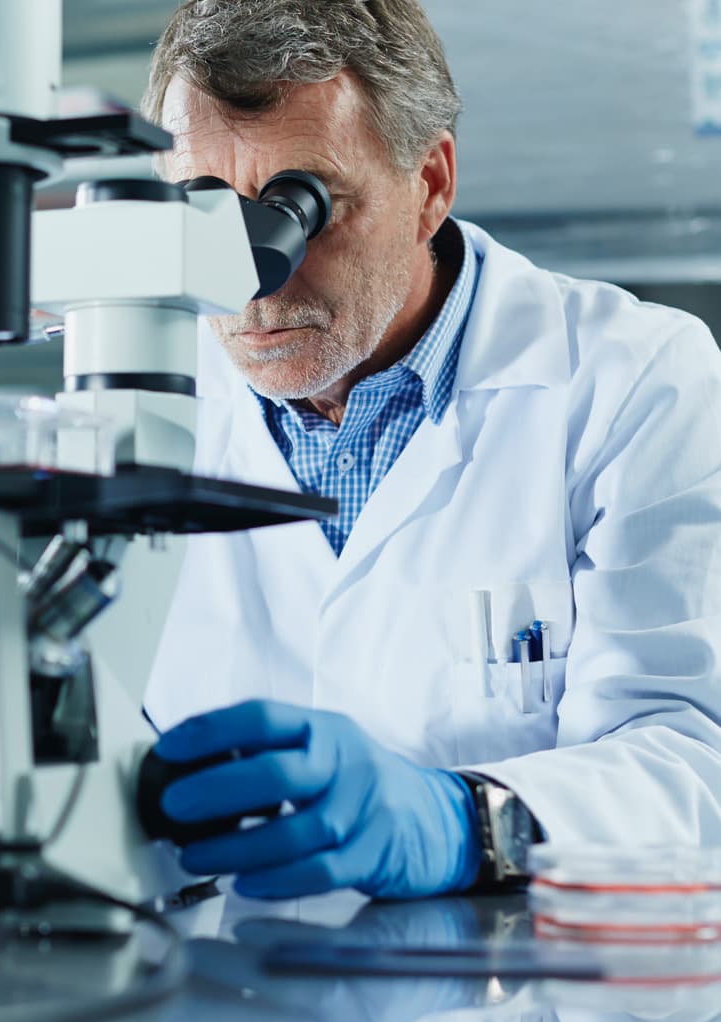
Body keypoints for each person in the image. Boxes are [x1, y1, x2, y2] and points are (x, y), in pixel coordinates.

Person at [141, 0, 721, 900]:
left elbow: (694, 765)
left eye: (305, 207)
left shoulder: (639, 381)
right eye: (208, 209)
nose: (255, 279)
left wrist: (467, 823)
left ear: (431, 184)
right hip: (221, 992)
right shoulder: (137, 387)